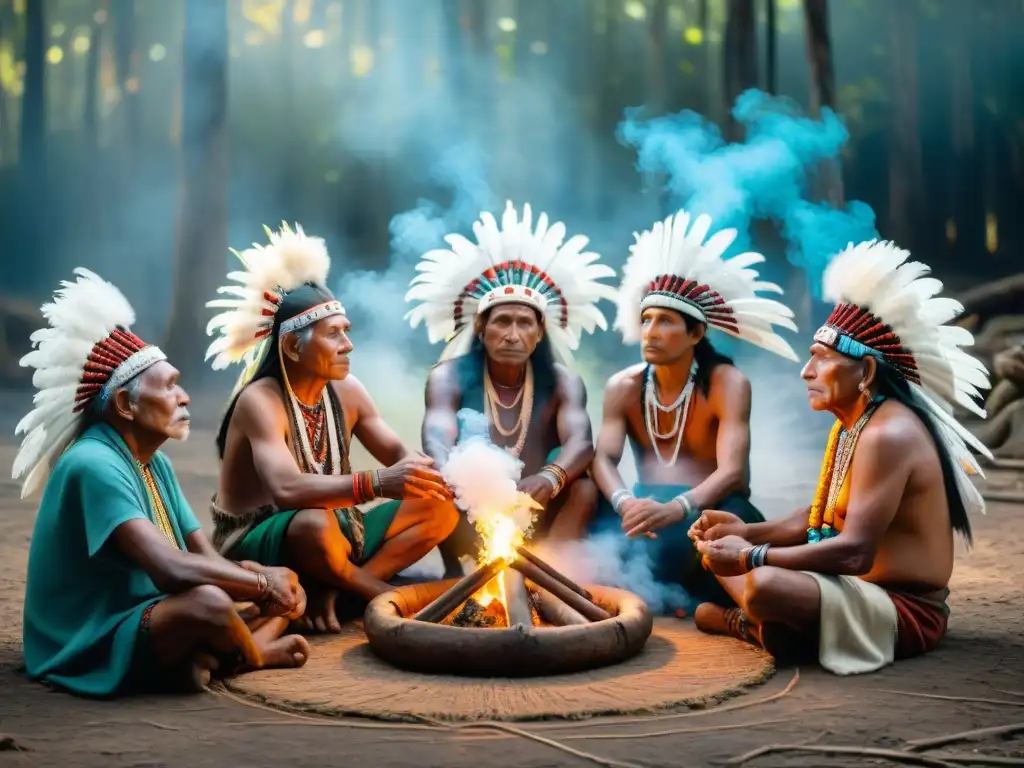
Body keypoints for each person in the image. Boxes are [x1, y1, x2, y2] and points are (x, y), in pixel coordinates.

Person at [690, 239, 994, 675]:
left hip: (903, 608)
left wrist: (750, 555)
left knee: (763, 585)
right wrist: (745, 531)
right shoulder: (855, 422)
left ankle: (749, 624)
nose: (805, 371)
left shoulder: (889, 433)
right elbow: (823, 516)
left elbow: (855, 553)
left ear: (866, 372)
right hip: (851, 587)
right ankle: (773, 629)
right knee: (716, 552)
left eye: (821, 359)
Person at [17, 269, 308, 698]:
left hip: (149, 610)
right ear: (124, 404)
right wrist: (260, 587)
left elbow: (203, 556)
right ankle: (252, 656)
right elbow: (170, 569)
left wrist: (263, 577)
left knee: (286, 584)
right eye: (170, 386)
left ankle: (207, 657)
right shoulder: (92, 463)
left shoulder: (155, 463)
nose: (184, 396)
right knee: (212, 603)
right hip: (91, 637)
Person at [206, 223, 459, 632]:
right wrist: (377, 482)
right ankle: (372, 590)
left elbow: (398, 458)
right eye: (333, 334)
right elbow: (288, 491)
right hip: (263, 544)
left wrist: (442, 475)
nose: (348, 344)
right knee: (312, 523)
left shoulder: (348, 391)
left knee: (438, 504)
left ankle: (339, 589)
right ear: (292, 346)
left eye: (347, 332)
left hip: (339, 537)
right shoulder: (261, 400)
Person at [591, 209, 800, 612]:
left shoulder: (727, 383)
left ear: (696, 333)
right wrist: (623, 504)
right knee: (601, 551)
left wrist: (678, 507)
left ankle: (730, 606)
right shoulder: (624, 386)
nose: (650, 331)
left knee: (722, 540)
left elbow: (733, 472)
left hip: (711, 512)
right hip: (646, 511)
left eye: (665, 321)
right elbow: (602, 457)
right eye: (646, 319)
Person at [406, 202, 618, 576]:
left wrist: (549, 478)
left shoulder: (564, 380)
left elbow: (581, 443)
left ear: (539, 334)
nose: (513, 334)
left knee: (583, 486)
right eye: (502, 321)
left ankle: (552, 574)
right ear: (480, 329)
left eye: (525, 323)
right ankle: (461, 573)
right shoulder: (448, 376)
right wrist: (465, 481)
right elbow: (437, 437)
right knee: (431, 479)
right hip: (470, 507)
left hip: (541, 507)